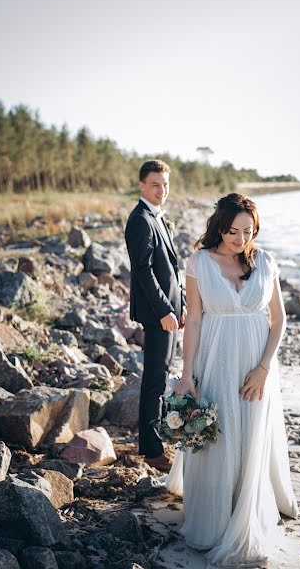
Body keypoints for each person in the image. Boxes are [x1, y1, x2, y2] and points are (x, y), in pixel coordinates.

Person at [166, 193, 298, 568]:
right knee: (219, 438)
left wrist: (264, 367)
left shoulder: (266, 262)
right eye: (232, 231)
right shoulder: (199, 263)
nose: (240, 239)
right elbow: (193, 320)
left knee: (251, 437)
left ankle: (247, 511)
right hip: (215, 359)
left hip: (257, 367)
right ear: (219, 227)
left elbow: (279, 320)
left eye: (248, 231)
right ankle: (213, 518)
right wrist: (186, 374)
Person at [125, 159, 186, 473]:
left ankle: (159, 437)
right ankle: (151, 450)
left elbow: (172, 270)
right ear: (141, 185)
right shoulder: (140, 220)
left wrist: (182, 304)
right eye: (155, 184)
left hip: (172, 311)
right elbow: (143, 272)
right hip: (157, 314)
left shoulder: (158, 218)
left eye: (165, 184)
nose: (162, 190)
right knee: (154, 380)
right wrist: (164, 310)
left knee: (161, 376)